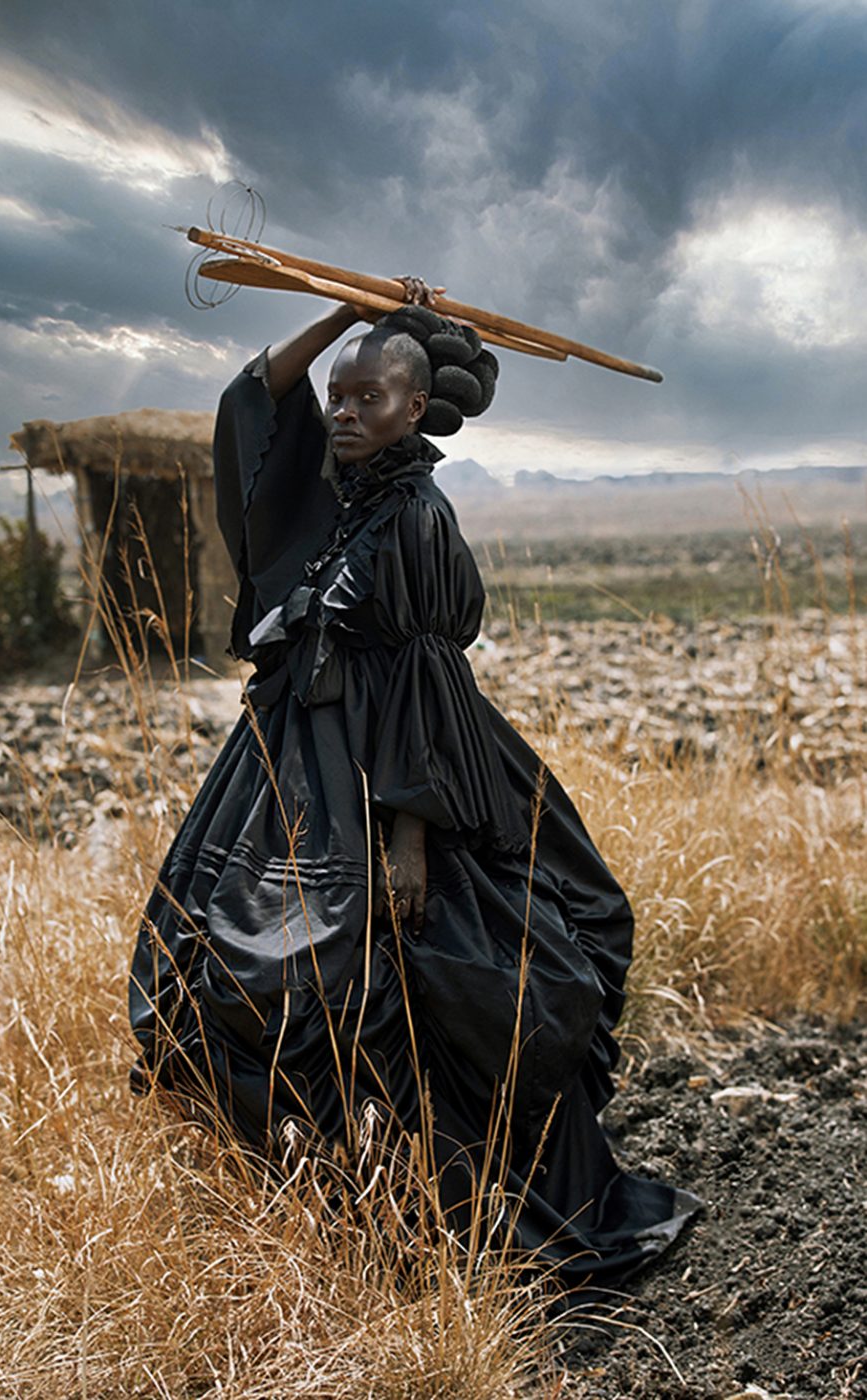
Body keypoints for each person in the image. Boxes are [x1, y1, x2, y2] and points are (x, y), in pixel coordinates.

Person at [129, 283, 699, 1299]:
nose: (343, 412)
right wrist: (334, 300)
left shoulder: (417, 518)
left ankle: (446, 1221)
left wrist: (406, 838)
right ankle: (354, 1214)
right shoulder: (338, 499)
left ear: (416, 406)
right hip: (297, 763)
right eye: (338, 395)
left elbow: (420, 688)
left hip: (399, 784)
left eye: (369, 397)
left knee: (437, 974)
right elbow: (257, 402)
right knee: (233, 962)